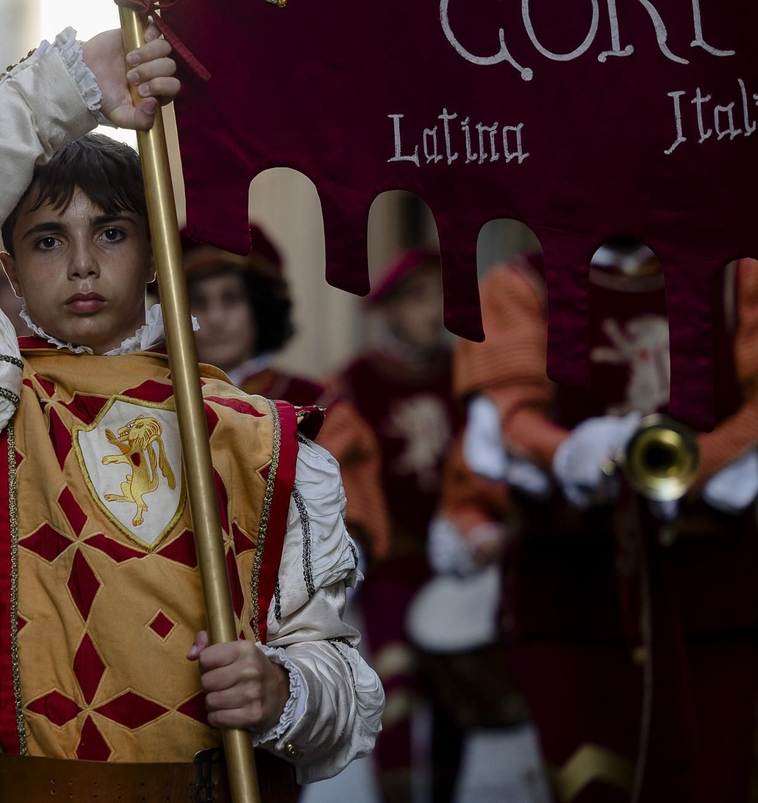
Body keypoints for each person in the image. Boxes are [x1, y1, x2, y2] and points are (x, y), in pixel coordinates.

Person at [0, 27, 382, 800]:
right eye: (50, 240)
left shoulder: (257, 433)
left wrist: (283, 689)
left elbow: (343, 686)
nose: (82, 263)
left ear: (155, 256)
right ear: (10, 270)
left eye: (112, 233)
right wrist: (61, 91)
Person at [449, 243, 758, 800]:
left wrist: (696, 465)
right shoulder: (520, 284)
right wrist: (569, 453)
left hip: (717, 601)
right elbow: (507, 413)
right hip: (572, 599)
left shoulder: (741, 274)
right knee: (592, 785)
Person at [331, 249, 465, 803]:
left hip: (454, 560)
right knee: (397, 685)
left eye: (441, 295)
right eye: (417, 297)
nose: (433, 309)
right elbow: (340, 464)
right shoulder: (356, 381)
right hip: (391, 561)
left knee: (452, 689)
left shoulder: (463, 373)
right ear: (388, 308)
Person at [185, 230, 391, 559]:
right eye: (199, 302)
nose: (216, 318)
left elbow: (352, 527)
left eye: (231, 299)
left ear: (259, 305)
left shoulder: (320, 406)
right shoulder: (157, 397)